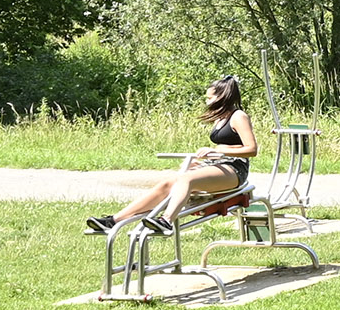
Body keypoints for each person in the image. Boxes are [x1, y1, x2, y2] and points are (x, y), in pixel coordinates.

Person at [88, 76, 256, 236]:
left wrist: (219, 152)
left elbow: (251, 149)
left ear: (221, 97)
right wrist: (202, 159)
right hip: (218, 165)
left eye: (209, 98)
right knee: (168, 183)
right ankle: (114, 220)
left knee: (186, 180)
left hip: (235, 169)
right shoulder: (220, 118)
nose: (206, 102)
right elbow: (226, 145)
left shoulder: (238, 116)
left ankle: (166, 221)